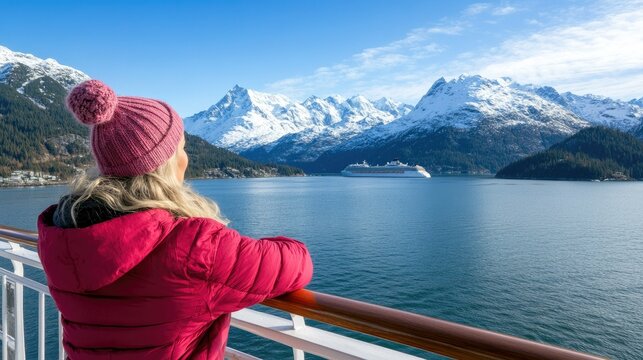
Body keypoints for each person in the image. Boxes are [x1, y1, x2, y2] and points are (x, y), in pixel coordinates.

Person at [37, 80, 313, 359]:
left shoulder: (63, 235)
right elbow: (297, 262)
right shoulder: (196, 245)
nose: (186, 158)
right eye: (181, 148)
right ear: (164, 164)